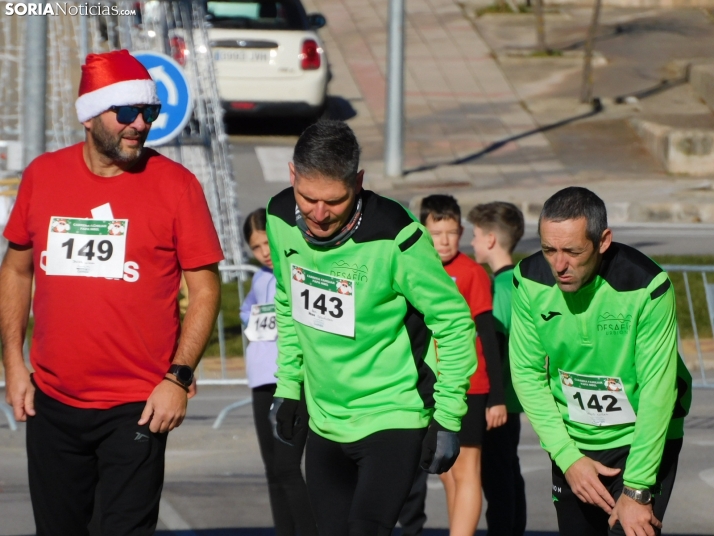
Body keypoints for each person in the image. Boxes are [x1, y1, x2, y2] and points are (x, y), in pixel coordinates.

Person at [0, 49, 224, 535]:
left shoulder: (177, 186)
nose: (139, 124)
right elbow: (17, 270)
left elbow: (205, 287)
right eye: (126, 112)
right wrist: (14, 364)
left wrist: (179, 376)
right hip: (52, 402)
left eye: (149, 113)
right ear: (89, 113)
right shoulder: (43, 175)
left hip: (138, 407)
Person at [265, 120, 477, 536]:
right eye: (308, 198)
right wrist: (289, 386)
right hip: (325, 420)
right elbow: (289, 303)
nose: (319, 215)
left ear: (358, 182)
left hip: (392, 414)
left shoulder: (396, 236)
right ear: (292, 175)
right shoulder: (279, 219)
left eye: (335, 201)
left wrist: (449, 417)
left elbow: (453, 322)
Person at [510, 187, 692, 536]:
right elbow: (527, 373)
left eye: (573, 251)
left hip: (644, 439)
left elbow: (658, 390)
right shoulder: (528, 280)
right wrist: (568, 458)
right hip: (574, 443)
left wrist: (637, 488)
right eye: (549, 249)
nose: (558, 265)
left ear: (603, 240)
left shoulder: (646, 287)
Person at [399, 194, 506, 536]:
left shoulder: (471, 273)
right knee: (446, 470)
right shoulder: (416, 268)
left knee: (467, 469)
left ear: (461, 231)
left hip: (468, 385)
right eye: (435, 232)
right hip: (433, 385)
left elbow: (488, 337)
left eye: (451, 232)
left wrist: (496, 396)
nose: (443, 241)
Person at [240, 208, 317, 536]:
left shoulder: (297, 268)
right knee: (273, 469)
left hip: (293, 379)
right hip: (261, 380)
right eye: (256, 248)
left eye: (267, 244)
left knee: (288, 466)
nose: (264, 253)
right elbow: (248, 312)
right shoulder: (259, 277)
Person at [468, 201, 527, 536]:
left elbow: (496, 346)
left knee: (497, 483)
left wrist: (492, 397)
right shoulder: (520, 282)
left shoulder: (498, 289)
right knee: (509, 475)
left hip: (497, 399)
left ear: (490, 239)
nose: (472, 242)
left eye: (475, 236)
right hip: (514, 397)